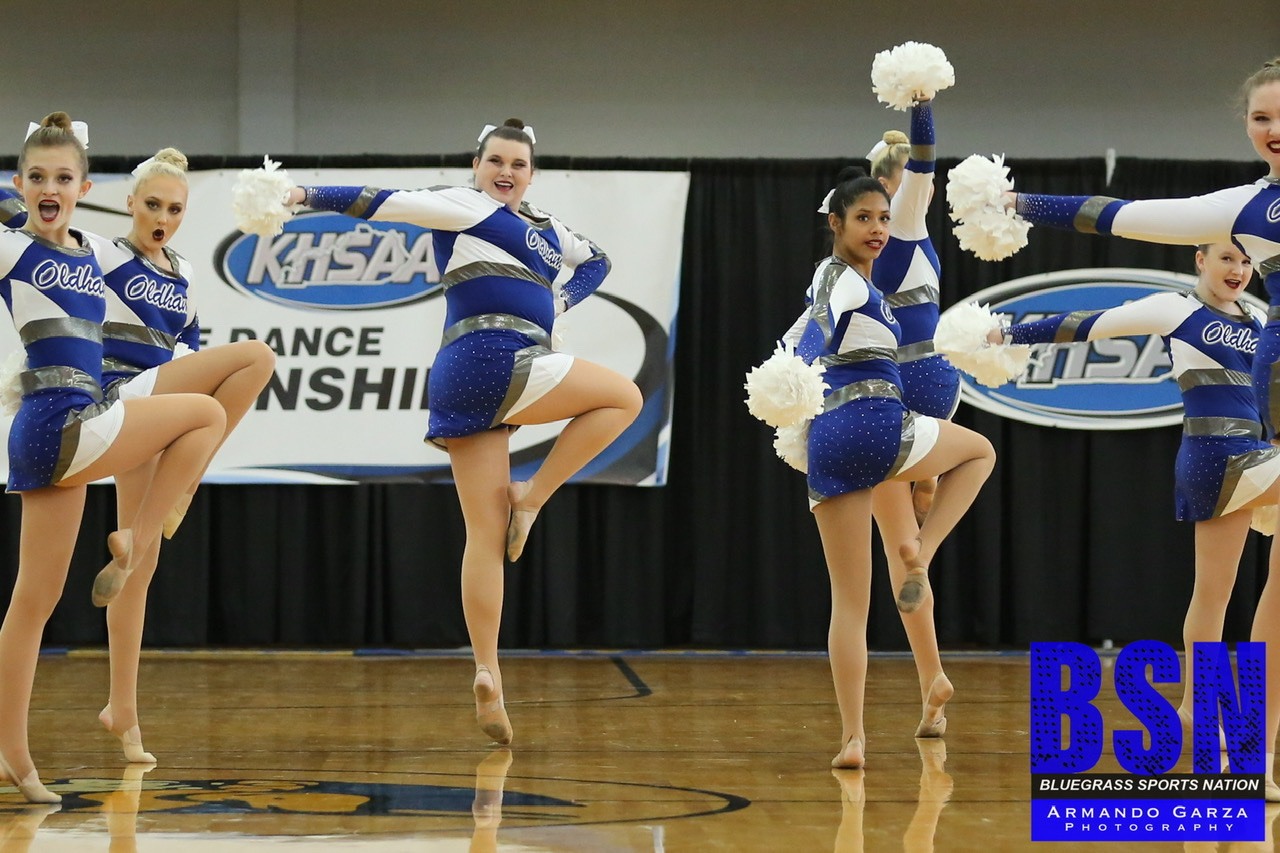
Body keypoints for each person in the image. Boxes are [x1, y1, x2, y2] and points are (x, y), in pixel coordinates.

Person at [284, 119, 642, 746]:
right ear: (476, 165)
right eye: (495, 160)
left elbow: (598, 261)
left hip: (461, 376)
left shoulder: (547, 229)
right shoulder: (463, 205)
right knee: (624, 398)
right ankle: (532, 497)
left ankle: (487, 673)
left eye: (518, 164)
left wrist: (558, 303)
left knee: (483, 535)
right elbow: (381, 202)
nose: (506, 171)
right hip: (500, 357)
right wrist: (303, 195)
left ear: (532, 174)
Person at [1001, 57, 1280, 795]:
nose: (1273, 130)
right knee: (1215, 593)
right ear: (1204, 254)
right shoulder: (1202, 270)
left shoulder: (1255, 319)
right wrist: (1016, 210)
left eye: (1242, 261)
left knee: (1244, 590)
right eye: (1261, 118)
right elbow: (1114, 235)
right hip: (1221, 454)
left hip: (1260, 445)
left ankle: (1245, 735)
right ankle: (1216, 719)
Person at [0, 113, 225, 803]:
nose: (51, 188)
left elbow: (154, 276)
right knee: (207, 414)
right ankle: (143, 530)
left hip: (68, 426)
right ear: (19, 184)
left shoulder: (95, 255)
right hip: (58, 422)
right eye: (38, 177)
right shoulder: (12, 249)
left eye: (64, 178)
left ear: (84, 188)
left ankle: (12, 755)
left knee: (34, 600)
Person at [781, 168, 994, 768]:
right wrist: (918, 116)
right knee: (979, 453)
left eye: (882, 218)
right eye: (865, 218)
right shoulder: (847, 280)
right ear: (836, 222)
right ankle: (924, 549)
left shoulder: (842, 281)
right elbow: (819, 325)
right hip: (880, 426)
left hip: (830, 439)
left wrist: (792, 373)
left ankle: (854, 738)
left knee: (849, 603)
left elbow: (802, 333)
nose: (877, 227)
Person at [89, 148, 276, 765]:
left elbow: (188, 351)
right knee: (257, 357)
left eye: (174, 209)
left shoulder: (187, 273)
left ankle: (123, 712)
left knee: (137, 567)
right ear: (129, 203)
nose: (162, 218)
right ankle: (188, 485)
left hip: (158, 410)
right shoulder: (103, 254)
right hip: (121, 394)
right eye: (152, 205)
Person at [866, 96, 957, 739]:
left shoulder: (889, 231)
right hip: (937, 376)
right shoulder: (909, 235)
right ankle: (932, 691)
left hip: (896, 380)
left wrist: (921, 101)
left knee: (895, 538)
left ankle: (931, 674)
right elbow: (922, 167)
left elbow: (923, 163)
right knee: (920, 499)